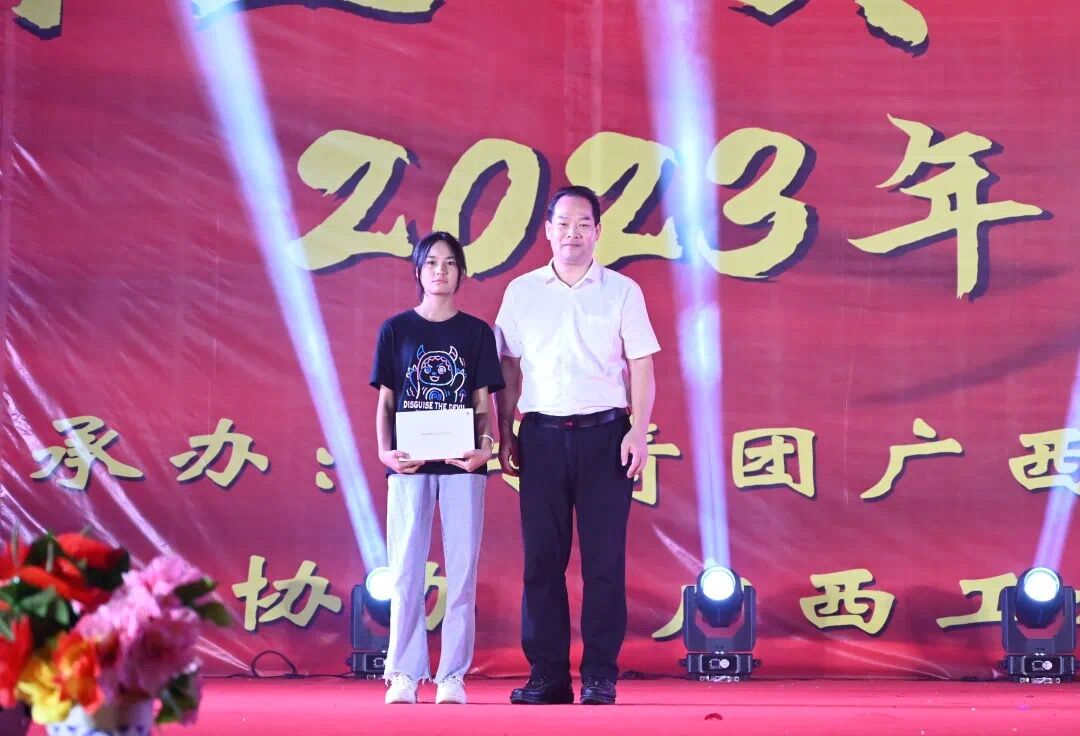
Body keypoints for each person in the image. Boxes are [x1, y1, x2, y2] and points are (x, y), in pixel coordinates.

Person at [495, 185, 659, 705]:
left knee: (604, 564)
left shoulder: (622, 291)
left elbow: (641, 364)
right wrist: (505, 429)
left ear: (598, 231)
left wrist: (638, 430)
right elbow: (508, 367)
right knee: (542, 563)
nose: (572, 233)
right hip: (540, 438)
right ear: (547, 230)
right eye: (563, 224)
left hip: (606, 437)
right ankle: (547, 676)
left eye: (583, 224)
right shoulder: (522, 292)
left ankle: (600, 675)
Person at [370, 231, 503, 705]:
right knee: (406, 571)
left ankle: (452, 676)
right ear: (418, 271)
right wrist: (384, 452)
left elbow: (483, 403)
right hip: (409, 466)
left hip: (462, 464)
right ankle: (404, 673)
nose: (440, 271)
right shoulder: (396, 330)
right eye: (431, 263)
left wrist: (486, 449)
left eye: (449, 263)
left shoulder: (476, 333)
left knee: (462, 572)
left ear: (461, 272)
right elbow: (387, 402)